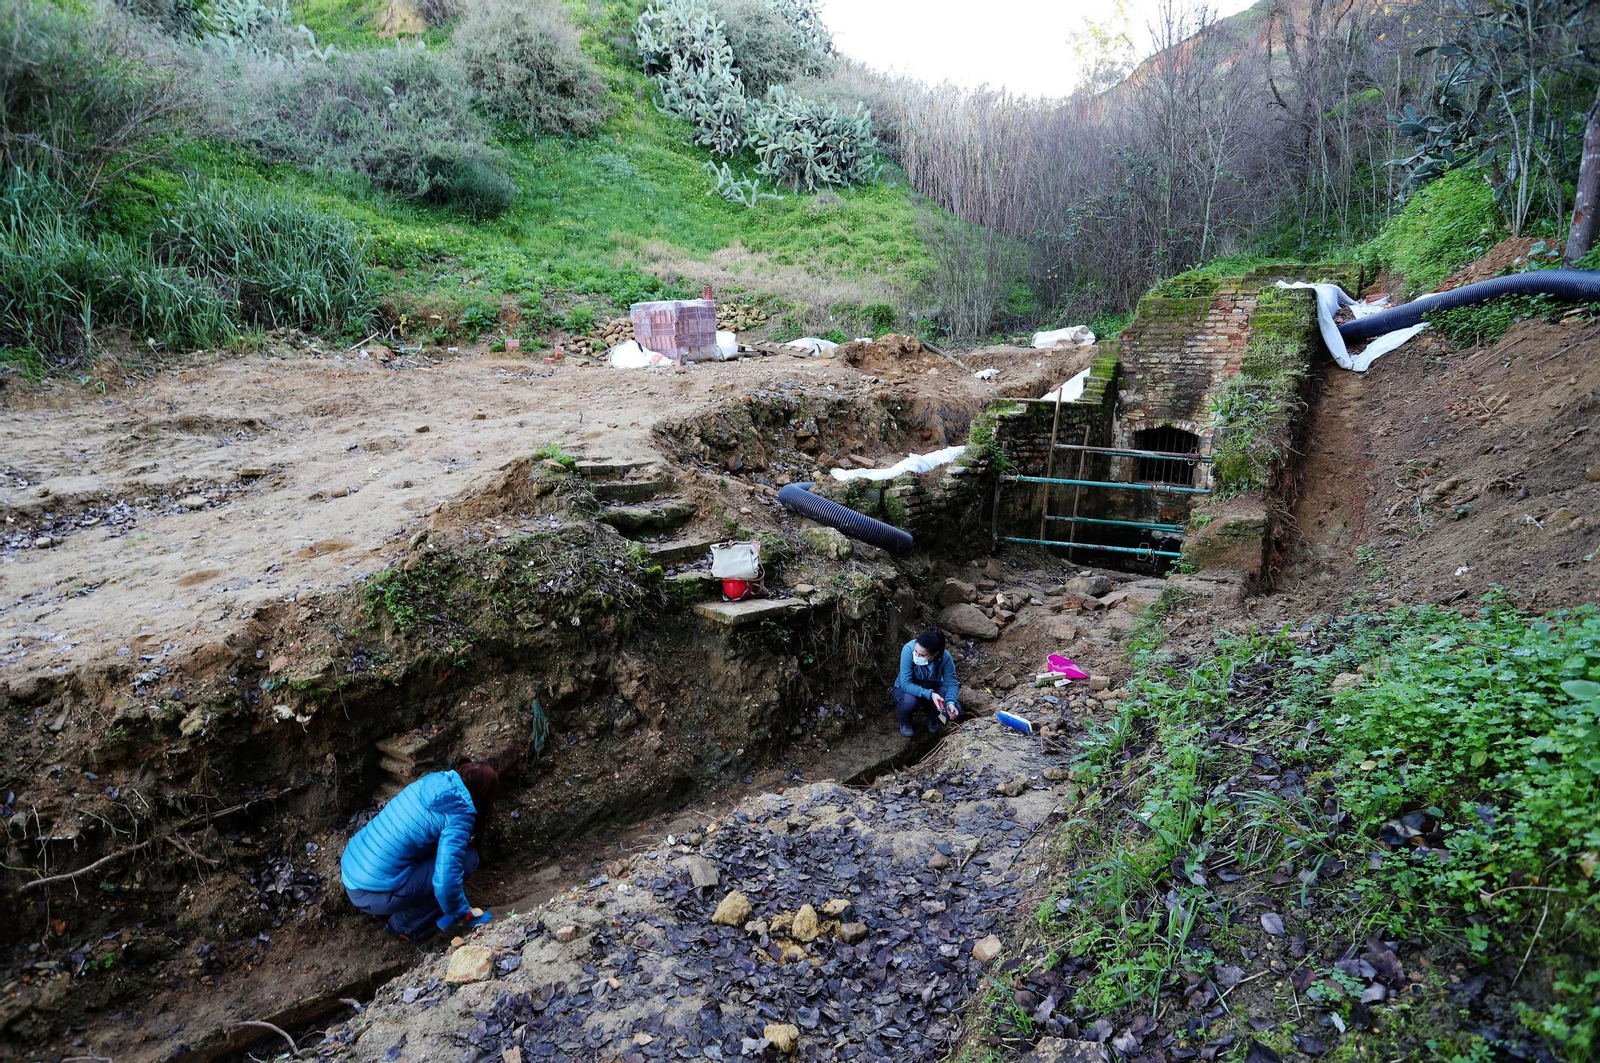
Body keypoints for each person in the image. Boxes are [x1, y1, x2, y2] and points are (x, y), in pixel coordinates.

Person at [340, 756, 503, 940]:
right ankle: (405, 925)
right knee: (468, 860)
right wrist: (462, 913)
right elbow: (446, 884)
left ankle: (394, 907)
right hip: (371, 892)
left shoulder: (434, 780)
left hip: (352, 868)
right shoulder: (460, 815)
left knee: (440, 858)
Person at [893, 628, 960, 737]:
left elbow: (951, 683)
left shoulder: (945, 657)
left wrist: (950, 702)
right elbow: (905, 683)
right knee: (908, 703)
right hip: (909, 687)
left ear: (934, 654)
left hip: (933, 685)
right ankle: (905, 721)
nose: (916, 656)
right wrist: (930, 694)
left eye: (922, 655)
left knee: (952, 710)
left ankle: (932, 717)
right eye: (916, 652)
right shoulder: (908, 650)